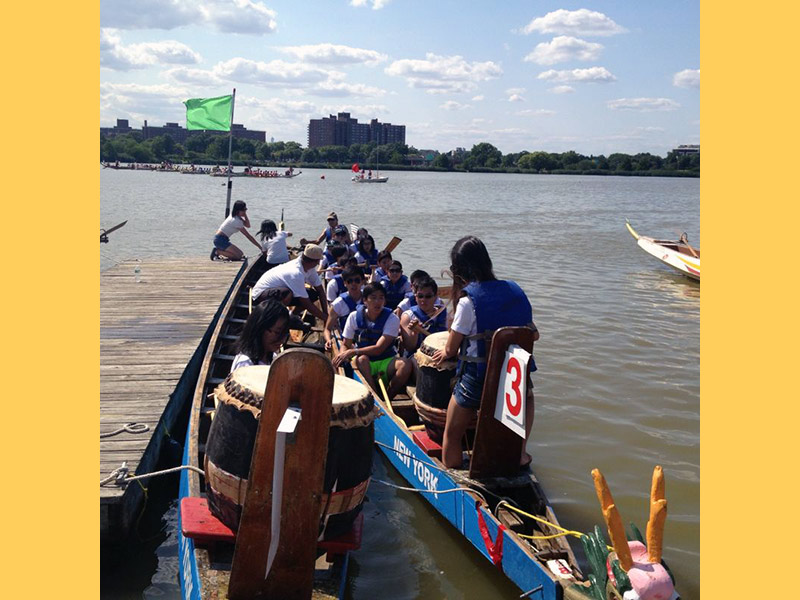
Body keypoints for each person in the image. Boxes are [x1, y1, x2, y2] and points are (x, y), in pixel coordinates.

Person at [432, 236, 539, 469]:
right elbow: (534, 334)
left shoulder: (468, 301)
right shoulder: (516, 291)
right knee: (528, 397)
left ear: (459, 269)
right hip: (515, 377)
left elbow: (450, 349)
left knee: (451, 435)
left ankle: (451, 468)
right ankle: (520, 453)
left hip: (478, 380)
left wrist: (446, 351)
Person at [333, 282, 412, 399]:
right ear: (365, 300)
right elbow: (346, 344)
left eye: (381, 298)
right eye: (373, 298)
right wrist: (342, 355)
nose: (378, 302)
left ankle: (387, 397)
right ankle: (374, 397)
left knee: (405, 364)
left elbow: (379, 349)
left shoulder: (392, 318)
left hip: (385, 360)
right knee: (362, 359)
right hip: (364, 362)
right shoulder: (354, 316)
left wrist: (353, 352)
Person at [250, 244, 328, 322]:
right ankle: (278, 319)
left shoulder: (310, 268)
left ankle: (292, 316)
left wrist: (326, 313)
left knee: (313, 295)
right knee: (287, 293)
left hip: (277, 290)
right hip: (261, 294)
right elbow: (306, 303)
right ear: (312, 261)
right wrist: (326, 319)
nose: (318, 264)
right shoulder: (296, 273)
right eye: (318, 261)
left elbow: (320, 291)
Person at [230, 299, 290, 371]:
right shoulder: (245, 365)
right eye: (277, 333)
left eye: (284, 334)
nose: (282, 340)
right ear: (260, 329)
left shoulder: (272, 357)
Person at [399, 277, 448, 355]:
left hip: (440, 353)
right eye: (420, 296)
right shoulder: (407, 317)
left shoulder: (445, 314)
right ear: (415, 297)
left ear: (435, 297)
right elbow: (409, 347)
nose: (423, 300)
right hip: (416, 355)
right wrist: (415, 333)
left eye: (428, 296)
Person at [323, 265, 364, 351]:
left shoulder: (369, 298)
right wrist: (328, 340)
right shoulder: (338, 303)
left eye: (357, 280)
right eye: (349, 281)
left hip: (366, 340)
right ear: (345, 283)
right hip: (346, 341)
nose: (354, 284)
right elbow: (327, 329)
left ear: (362, 281)